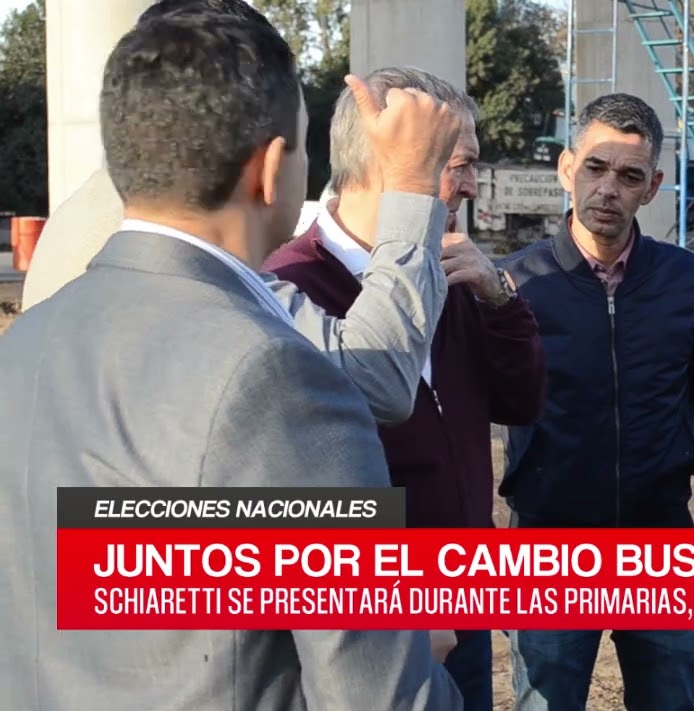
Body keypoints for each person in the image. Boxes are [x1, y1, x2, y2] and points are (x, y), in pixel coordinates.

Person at [0, 10, 462, 711]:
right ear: (271, 169)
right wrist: (419, 655)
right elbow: (380, 704)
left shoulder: (25, 342)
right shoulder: (276, 375)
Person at [262, 67, 546, 711]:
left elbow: (522, 402)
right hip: (371, 632)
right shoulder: (291, 290)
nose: (472, 184)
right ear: (394, 159)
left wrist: (500, 300)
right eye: (459, 163)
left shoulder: (453, 272)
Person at [20, 0, 450, 427]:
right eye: (302, 144)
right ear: (269, 166)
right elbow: (376, 382)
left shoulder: (68, 263)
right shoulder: (215, 290)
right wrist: (412, 185)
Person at [496, 92, 694, 711]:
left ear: (653, 187)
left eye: (630, 176)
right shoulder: (515, 284)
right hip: (550, 550)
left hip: (662, 546)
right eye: (595, 168)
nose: (608, 189)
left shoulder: (687, 282)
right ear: (567, 168)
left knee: (668, 708)